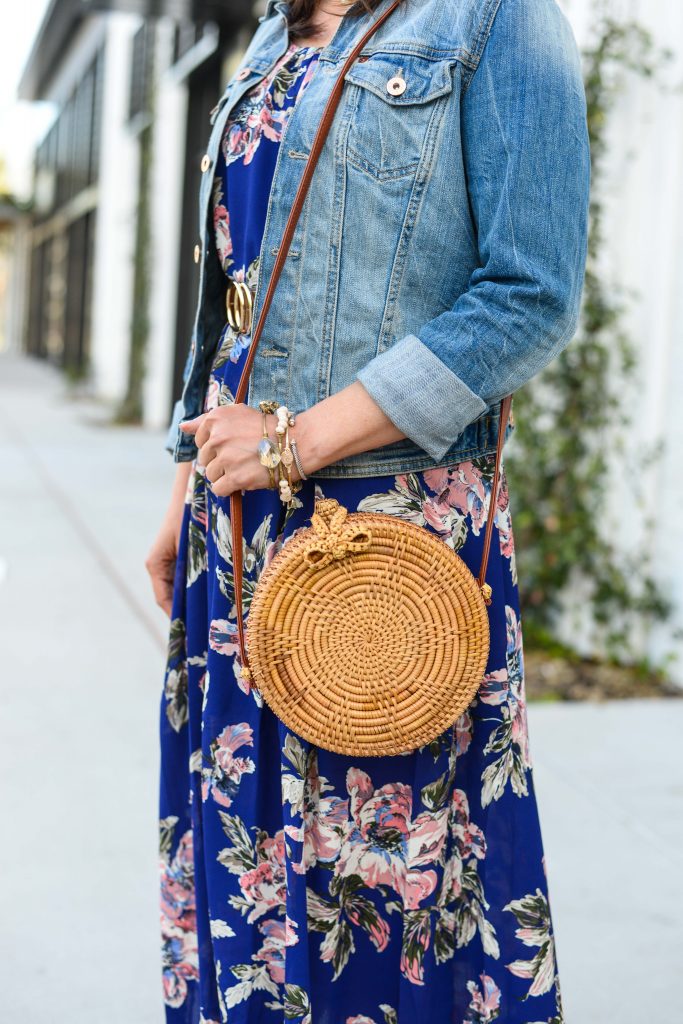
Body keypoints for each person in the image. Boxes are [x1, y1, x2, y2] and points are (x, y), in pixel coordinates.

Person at [147, 0, 590, 1020]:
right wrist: (187, 481)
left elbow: (528, 295)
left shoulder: (497, 19)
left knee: (381, 881)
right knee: (252, 868)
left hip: (386, 525)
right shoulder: (273, 27)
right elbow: (230, 296)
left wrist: (294, 441)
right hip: (240, 519)